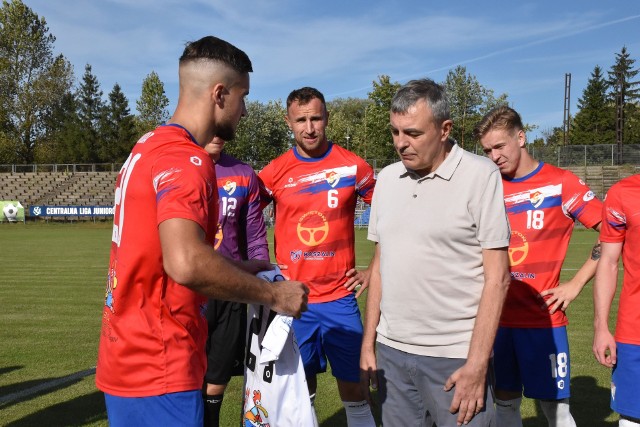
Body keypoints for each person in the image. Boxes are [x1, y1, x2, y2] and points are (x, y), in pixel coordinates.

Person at [95, 36, 308, 427]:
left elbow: (166, 254)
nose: (244, 110)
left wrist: (241, 267)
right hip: (159, 360)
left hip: (123, 353)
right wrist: (274, 294)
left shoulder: (147, 146)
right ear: (220, 93)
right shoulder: (187, 159)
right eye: (243, 97)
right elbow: (186, 263)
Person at [360, 78, 511, 427]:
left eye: (412, 133)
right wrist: (370, 344)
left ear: (444, 130)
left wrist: (476, 364)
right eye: (395, 132)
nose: (401, 143)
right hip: (392, 356)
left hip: (454, 357)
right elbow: (380, 268)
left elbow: (498, 278)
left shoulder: (480, 175)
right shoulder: (388, 179)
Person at [475, 105, 603, 427]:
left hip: (543, 321)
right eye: (487, 150)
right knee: (504, 405)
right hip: (496, 319)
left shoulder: (560, 183)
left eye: (499, 146)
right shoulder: (489, 187)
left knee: (554, 410)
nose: (494, 157)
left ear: (521, 137)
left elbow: (612, 232)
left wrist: (574, 285)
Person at [258, 87, 377, 426]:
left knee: (356, 391)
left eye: (315, 118)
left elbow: (391, 217)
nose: (309, 127)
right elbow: (246, 219)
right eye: (301, 120)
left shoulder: (353, 167)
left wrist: (373, 271)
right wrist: (261, 265)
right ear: (289, 122)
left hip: (341, 299)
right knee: (299, 394)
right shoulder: (275, 172)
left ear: (326, 118)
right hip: (294, 301)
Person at [202, 137, 269, 427]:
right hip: (189, 290)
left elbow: (254, 236)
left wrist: (265, 277)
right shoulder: (181, 166)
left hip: (230, 289)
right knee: (184, 371)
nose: (217, 134)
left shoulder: (243, 173)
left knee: (218, 374)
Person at [593, 173, 640, 427]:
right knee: (633, 417)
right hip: (635, 330)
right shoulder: (624, 192)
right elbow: (608, 262)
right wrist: (601, 327)